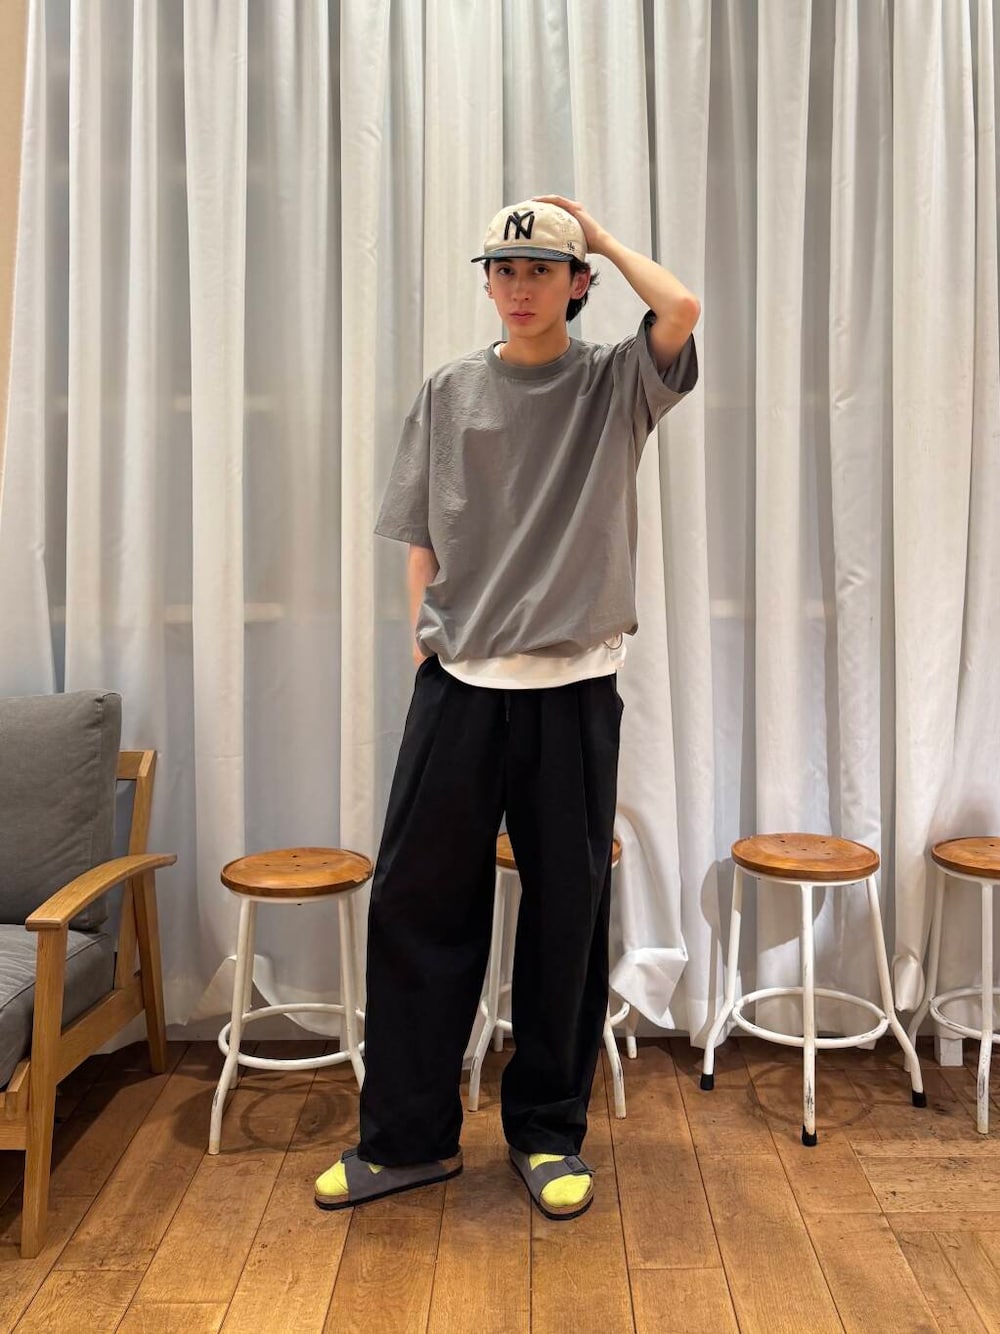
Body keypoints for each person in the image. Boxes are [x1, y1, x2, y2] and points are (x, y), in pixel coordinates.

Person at [315, 196, 700, 1221]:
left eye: (543, 270)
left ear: (578, 285)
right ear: (487, 281)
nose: (521, 287)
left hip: (572, 690)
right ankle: (406, 1140)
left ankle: (546, 1134)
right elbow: (420, 531)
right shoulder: (450, 390)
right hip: (461, 686)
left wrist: (601, 236)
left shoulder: (615, 383)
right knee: (415, 905)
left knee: (566, 917)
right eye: (505, 269)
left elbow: (681, 308)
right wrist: (422, 639)